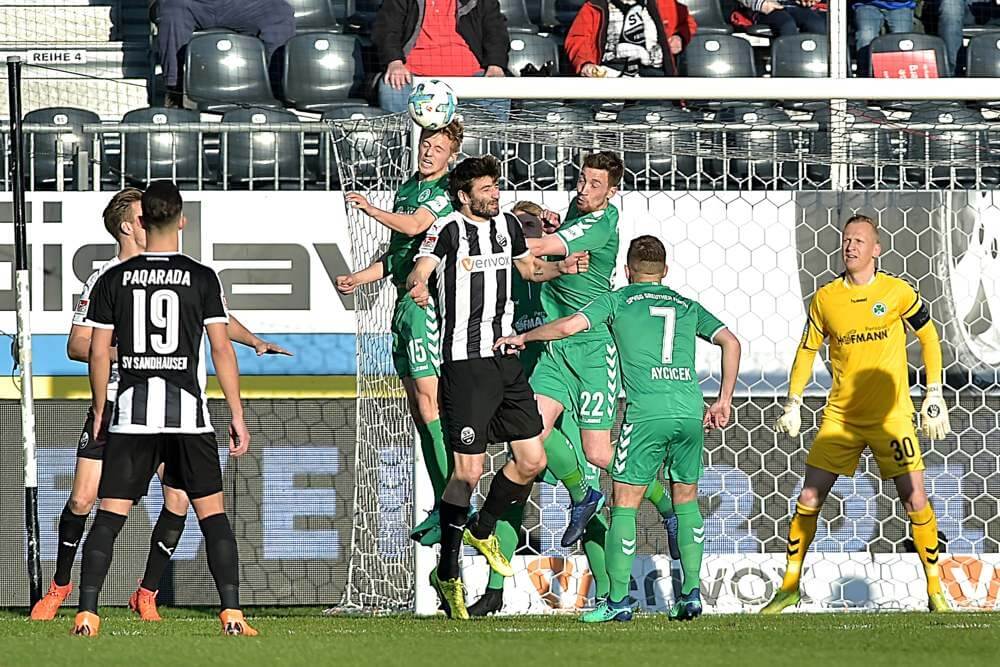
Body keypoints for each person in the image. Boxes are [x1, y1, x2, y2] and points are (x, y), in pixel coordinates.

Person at [30, 188, 289, 623]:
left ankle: (145, 592)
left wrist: (256, 340)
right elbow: (79, 345)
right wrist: (131, 353)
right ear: (131, 225)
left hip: (167, 409)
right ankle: (60, 586)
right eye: (139, 212)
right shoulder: (106, 277)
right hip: (116, 401)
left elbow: (217, 321)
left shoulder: (184, 277)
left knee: (179, 500)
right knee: (82, 499)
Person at [495, 235, 741, 623]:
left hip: (646, 414)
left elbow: (568, 327)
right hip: (690, 411)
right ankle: (691, 594)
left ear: (627, 271)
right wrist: (724, 398)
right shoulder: (687, 305)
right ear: (665, 270)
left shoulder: (618, 300)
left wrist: (523, 337)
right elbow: (730, 341)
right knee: (688, 500)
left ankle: (618, 602)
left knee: (623, 505)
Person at [71, 181, 257, 637]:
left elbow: (96, 352)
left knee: (109, 516)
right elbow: (220, 349)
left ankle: (87, 613)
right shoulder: (201, 276)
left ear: (142, 222)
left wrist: (100, 410)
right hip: (188, 418)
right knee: (212, 515)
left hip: (132, 415)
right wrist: (236, 412)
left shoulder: (115, 278)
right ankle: (232, 614)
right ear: (180, 220)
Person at [405, 156, 588, 620]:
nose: (494, 194)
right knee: (465, 475)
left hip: (506, 360)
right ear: (464, 196)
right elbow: (420, 268)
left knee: (532, 460)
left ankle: (483, 529)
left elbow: (529, 270)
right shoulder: (445, 229)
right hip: (465, 366)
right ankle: (448, 571)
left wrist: (561, 268)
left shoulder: (508, 225)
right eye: (485, 189)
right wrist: (419, 285)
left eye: (494, 185)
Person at [762, 215, 951, 614]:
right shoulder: (826, 298)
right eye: (847, 240)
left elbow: (929, 336)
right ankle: (789, 586)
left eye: (860, 241)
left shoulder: (898, 292)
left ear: (876, 249)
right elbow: (807, 350)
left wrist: (933, 391)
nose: (850, 247)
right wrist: (793, 402)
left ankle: (936, 590)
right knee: (809, 496)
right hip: (841, 419)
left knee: (915, 498)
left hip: (891, 417)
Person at [523, 152, 678, 549]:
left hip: (593, 351)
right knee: (527, 434)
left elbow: (540, 245)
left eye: (595, 185)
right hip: (556, 351)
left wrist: (489, 234)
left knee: (598, 452)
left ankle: (665, 506)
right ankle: (583, 495)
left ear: (612, 191)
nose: (584, 189)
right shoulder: (576, 210)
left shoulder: (602, 221)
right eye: (581, 180)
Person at [467, 202, 611, 617]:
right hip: (526, 388)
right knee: (518, 492)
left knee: (586, 489)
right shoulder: (507, 275)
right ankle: (495, 591)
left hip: (568, 379)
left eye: (532, 229)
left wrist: (559, 232)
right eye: (519, 230)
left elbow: (578, 236)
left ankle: (608, 594)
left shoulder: (560, 269)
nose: (525, 238)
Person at [336, 120, 464, 547]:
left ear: (451, 156)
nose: (429, 152)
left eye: (438, 147)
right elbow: (397, 256)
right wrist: (360, 277)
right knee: (416, 408)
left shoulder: (443, 191)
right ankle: (442, 504)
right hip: (400, 304)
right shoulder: (409, 187)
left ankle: (457, 502)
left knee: (432, 403)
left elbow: (413, 228)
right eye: (426, 144)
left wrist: (371, 209)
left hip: (427, 305)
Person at [372, 0, 509, 114]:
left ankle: (491, 145)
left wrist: (495, 65)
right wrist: (394, 62)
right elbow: (387, 28)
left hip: (472, 77)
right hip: (413, 77)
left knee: (498, 88)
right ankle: (400, 144)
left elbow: (495, 30)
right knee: (391, 86)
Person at [156, 0, 295, 105]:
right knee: (171, 10)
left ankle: (279, 92)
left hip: (239, 5)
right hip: (189, 4)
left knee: (279, 11)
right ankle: (175, 91)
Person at [564, 0, 697, 77]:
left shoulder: (664, 4)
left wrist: (680, 37)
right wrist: (586, 63)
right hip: (609, 74)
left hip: (653, 76)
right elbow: (578, 39)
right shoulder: (594, 6)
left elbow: (686, 23)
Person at [853, 0, 915, 75]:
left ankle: (900, 75)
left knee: (902, 40)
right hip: (866, 4)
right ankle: (865, 75)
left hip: (901, 5)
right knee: (866, 36)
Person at [734, 0, 827, 37]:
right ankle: (790, 70)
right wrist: (760, 4)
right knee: (787, 25)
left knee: (817, 25)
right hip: (764, 7)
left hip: (795, 5)